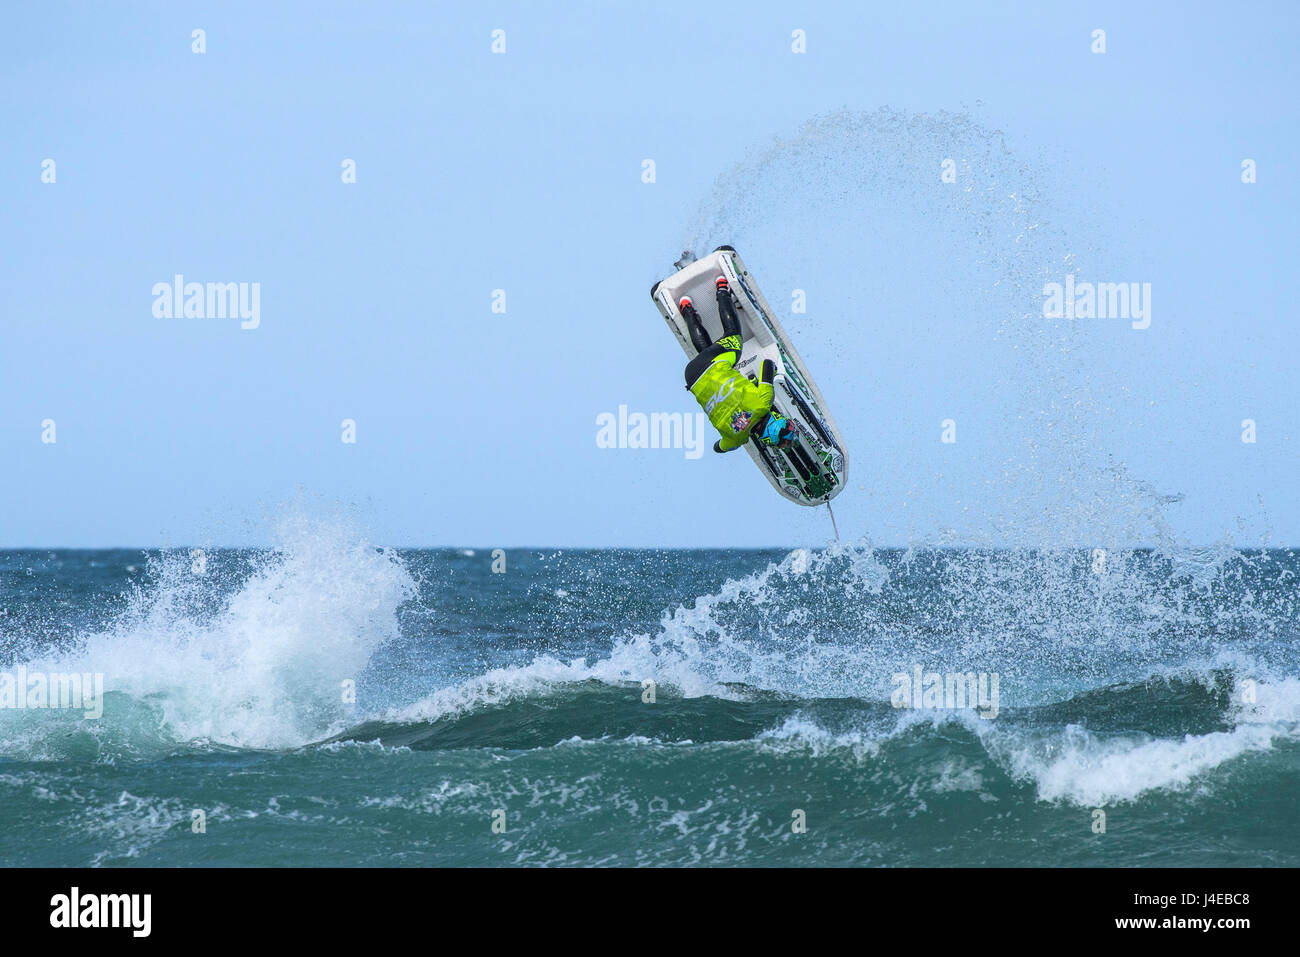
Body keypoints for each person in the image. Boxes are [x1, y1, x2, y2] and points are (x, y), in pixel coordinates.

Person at [682, 276, 799, 453]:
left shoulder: (763, 403)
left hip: (714, 363)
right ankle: (685, 307)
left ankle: (722, 288)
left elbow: (767, 363)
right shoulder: (736, 439)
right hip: (692, 375)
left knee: (734, 335)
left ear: (776, 421)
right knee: (707, 356)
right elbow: (717, 448)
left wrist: (777, 371)